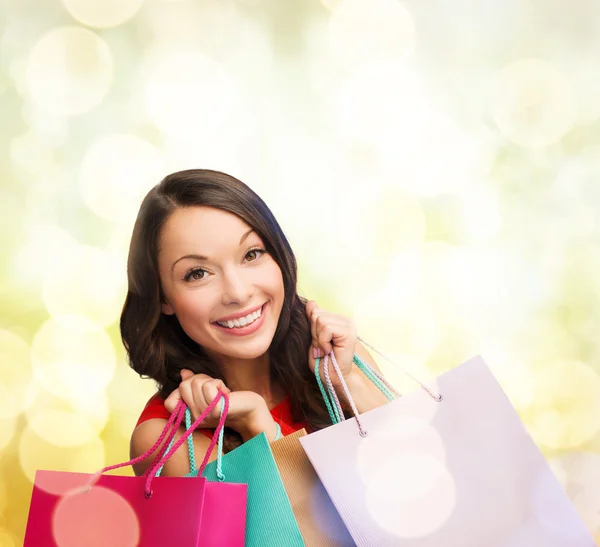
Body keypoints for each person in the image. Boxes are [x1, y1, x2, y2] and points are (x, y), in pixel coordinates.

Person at [124, 169, 390, 476]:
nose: (238, 292)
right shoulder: (166, 439)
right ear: (163, 299)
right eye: (197, 273)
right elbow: (305, 523)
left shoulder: (342, 364)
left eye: (252, 254)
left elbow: (420, 474)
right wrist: (257, 424)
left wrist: (349, 383)